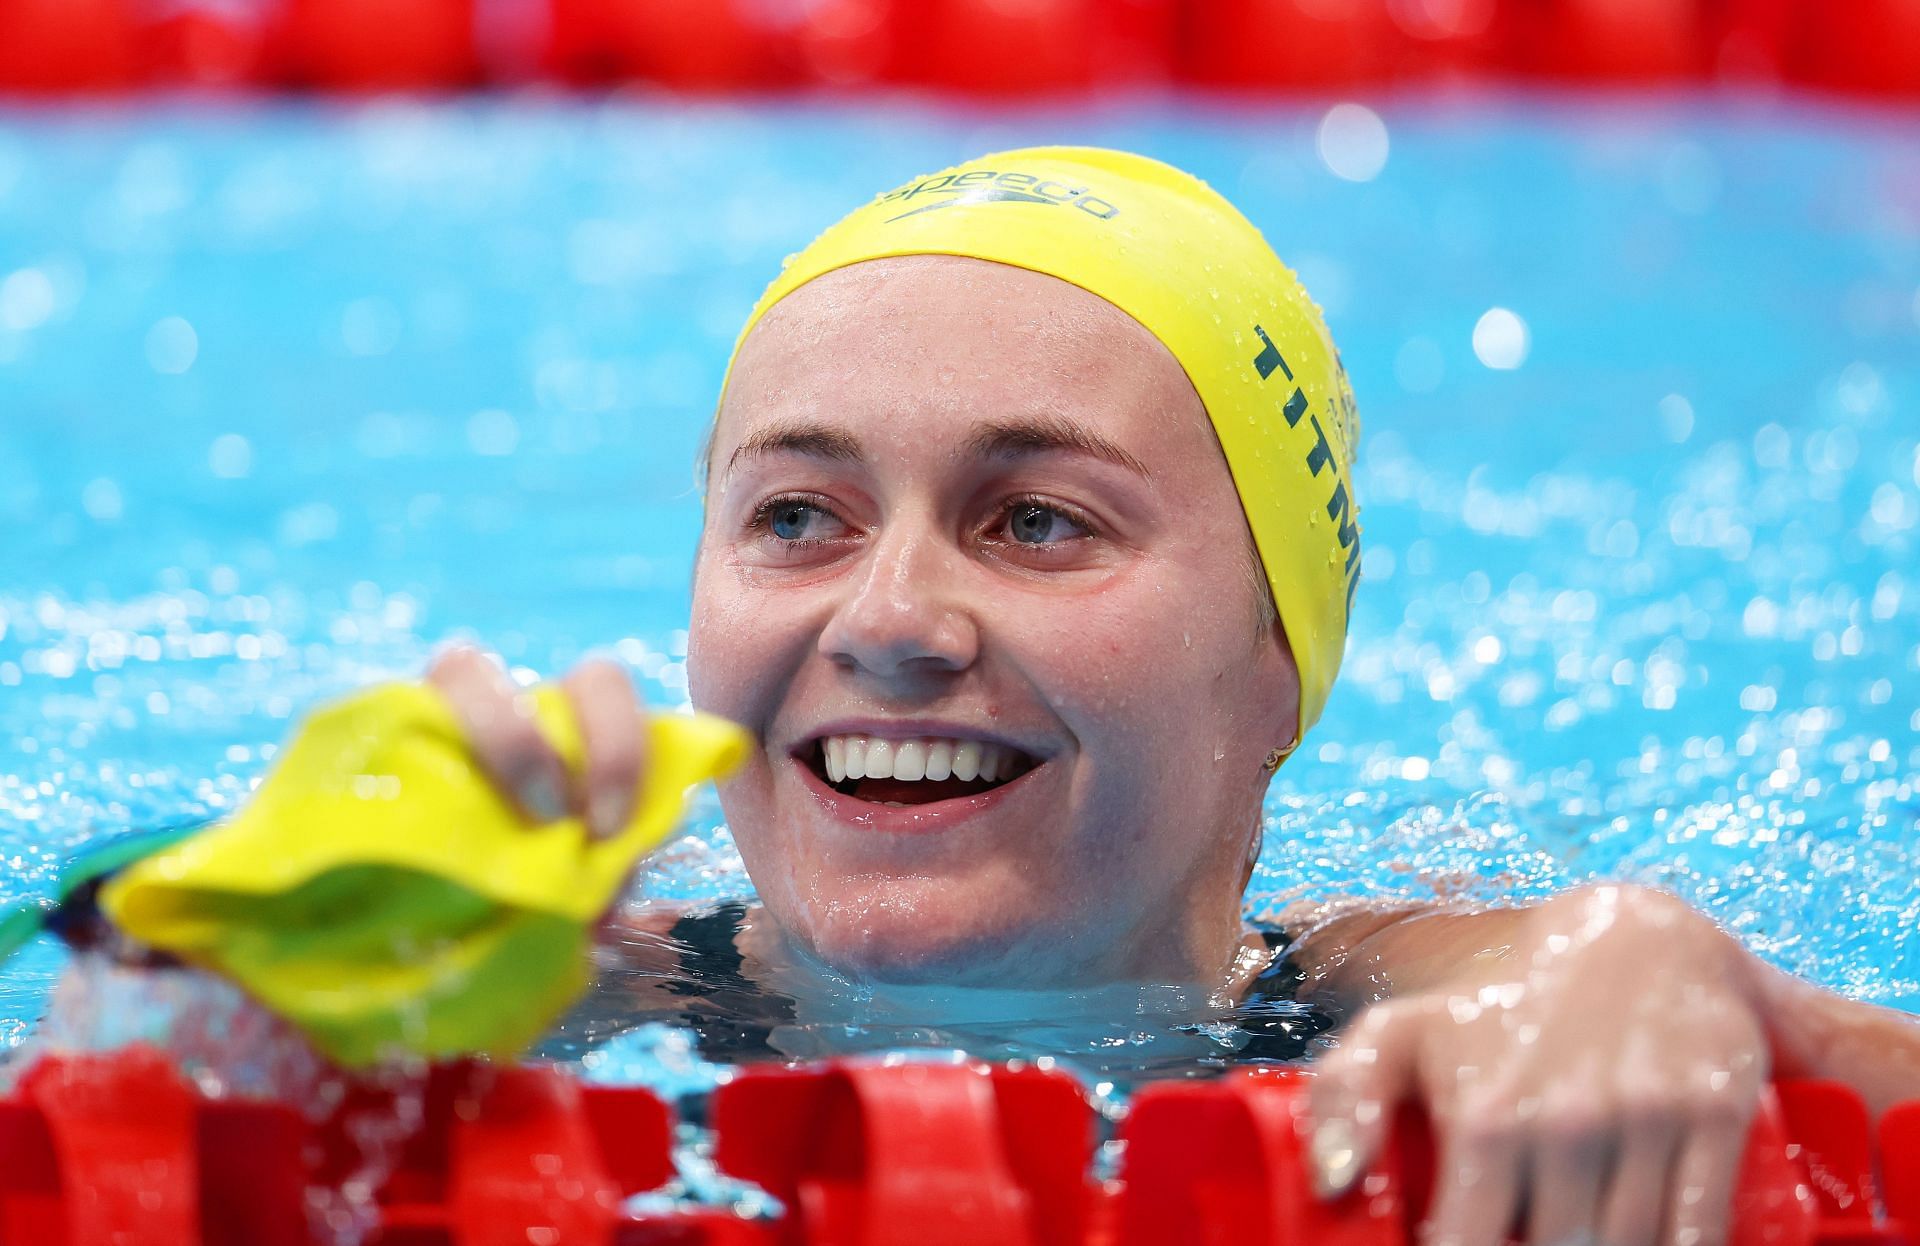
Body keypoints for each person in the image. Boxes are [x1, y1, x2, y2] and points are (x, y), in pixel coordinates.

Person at [21, 147, 1920, 1245]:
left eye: (1034, 519)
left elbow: (1592, 994)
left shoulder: (1376, 996)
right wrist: (239, 923)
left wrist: (1685, 977)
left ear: (1279, 671)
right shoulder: (565, 983)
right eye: (798, 514)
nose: (895, 613)